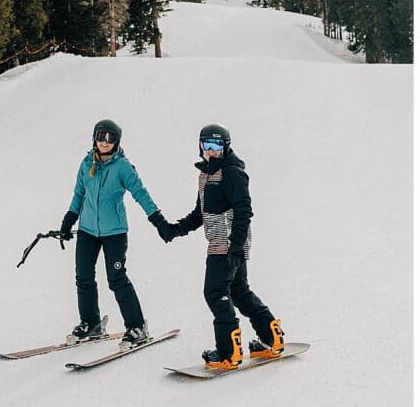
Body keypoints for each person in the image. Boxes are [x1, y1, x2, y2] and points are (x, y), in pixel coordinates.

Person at [155, 124, 285, 370]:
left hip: (227, 245)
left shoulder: (232, 172)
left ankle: (228, 352)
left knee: (215, 293)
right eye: (207, 146)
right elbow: (200, 214)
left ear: (225, 147)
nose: (211, 151)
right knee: (239, 292)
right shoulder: (206, 175)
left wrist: (235, 246)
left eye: (216, 146)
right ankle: (272, 337)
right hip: (222, 244)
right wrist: (176, 229)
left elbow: (244, 209)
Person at [58, 119, 172, 349]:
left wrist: (158, 220)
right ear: (94, 138)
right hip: (88, 231)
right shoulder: (86, 163)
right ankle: (91, 323)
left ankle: (137, 326)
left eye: (110, 138)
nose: (105, 142)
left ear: (117, 141)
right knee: (83, 277)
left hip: (114, 232)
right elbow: (79, 193)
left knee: (117, 279)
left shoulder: (123, 167)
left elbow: (141, 194)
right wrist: (68, 220)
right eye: (101, 136)